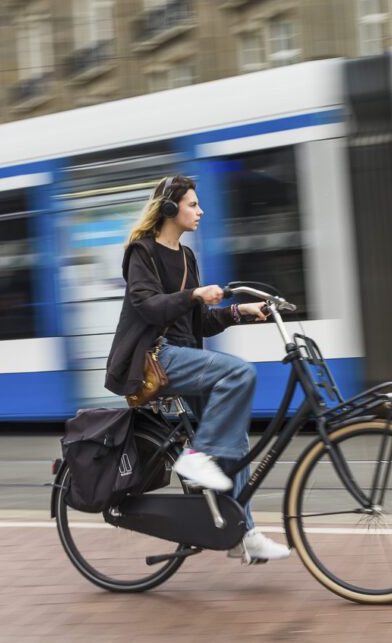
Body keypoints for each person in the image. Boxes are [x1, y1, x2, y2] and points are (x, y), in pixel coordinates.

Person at [104, 174, 291, 563]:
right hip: (156, 356)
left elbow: (199, 322)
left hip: (184, 356)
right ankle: (199, 455)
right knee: (240, 373)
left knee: (237, 442)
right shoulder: (143, 252)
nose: (200, 210)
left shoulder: (187, 257)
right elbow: (149, 306)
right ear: (170, 209)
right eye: (193, 204)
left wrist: (239, 311)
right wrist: (192, 294)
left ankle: (245, 534)